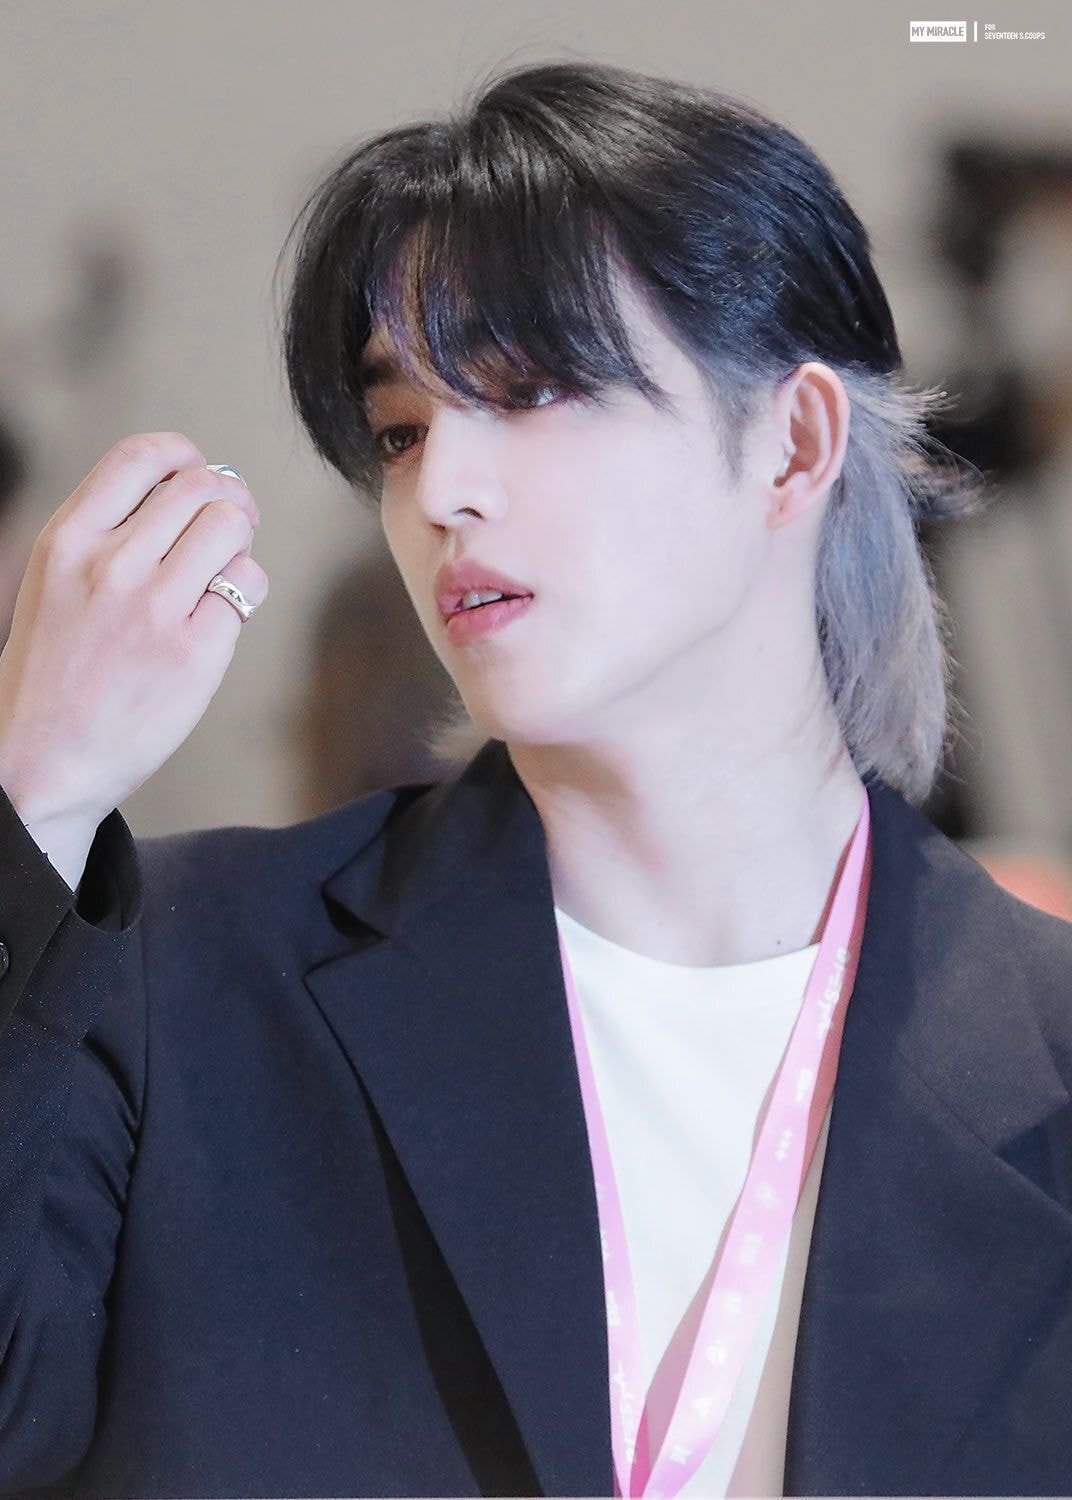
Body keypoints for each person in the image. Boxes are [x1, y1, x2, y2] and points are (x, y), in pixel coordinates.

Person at [0, 56, 1069, 1500]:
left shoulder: (1045, 1052)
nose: (441, 490)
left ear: (794, 444)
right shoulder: (183, 985)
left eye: (535, 390)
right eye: (401, 430)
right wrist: (36, 800)